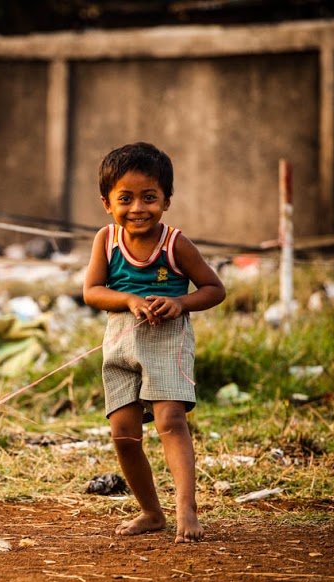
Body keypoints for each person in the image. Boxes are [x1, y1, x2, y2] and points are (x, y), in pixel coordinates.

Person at [83, 142, 226, 543]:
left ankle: (187, 510)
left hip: (167, 341)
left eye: (150, 197)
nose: (138, 208)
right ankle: (151, 511)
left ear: (167, 200)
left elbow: (215, 289)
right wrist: (128, 299)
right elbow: (92, 291)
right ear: (107, 204)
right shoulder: (106, 241)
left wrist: (180, 303)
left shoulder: (175, 244)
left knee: (170, 421)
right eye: (125, 199)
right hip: (120, 340)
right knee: (124, 435)